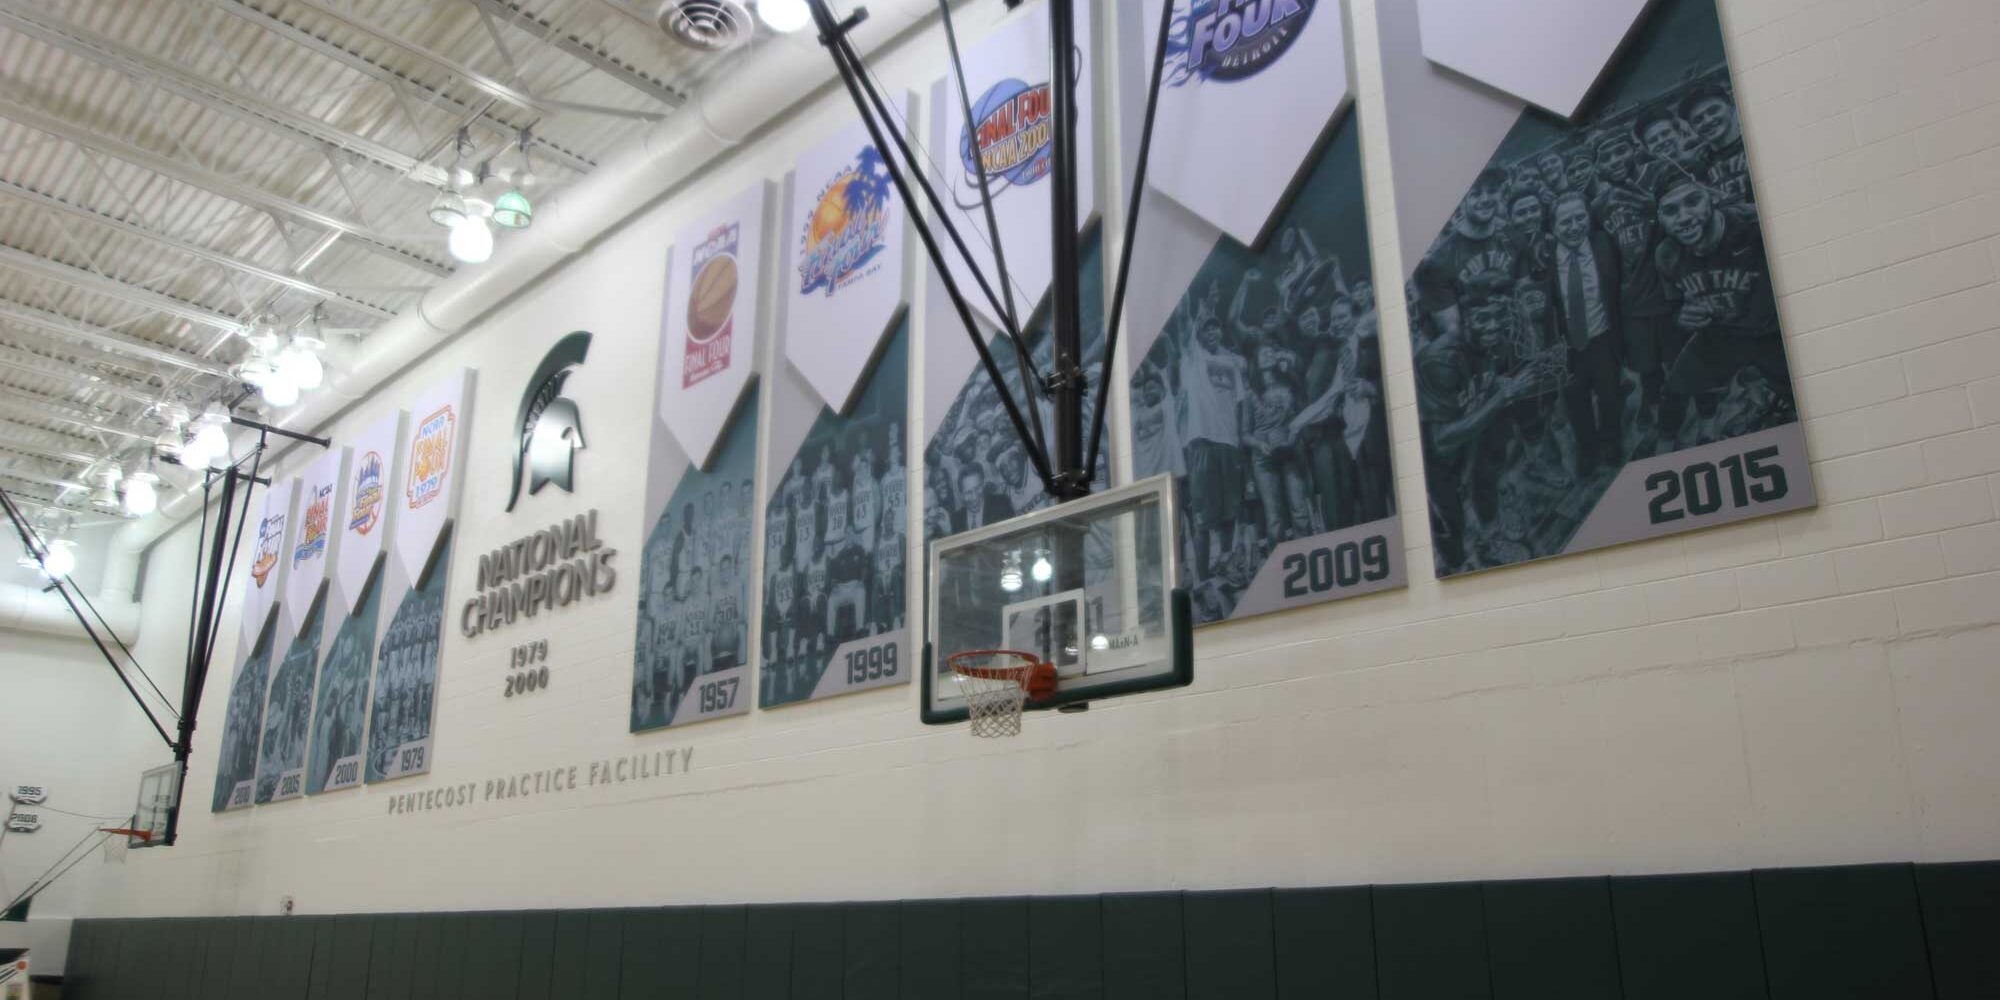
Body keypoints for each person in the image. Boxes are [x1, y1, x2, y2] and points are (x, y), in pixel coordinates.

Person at [1653, 173, 1790, 418]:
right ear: (1660, 218)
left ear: (1712, 197)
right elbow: (1674, 307)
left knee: (1797, 389)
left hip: (1772, 332)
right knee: (1674, 389)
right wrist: (1682, 318)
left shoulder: (1755, 223)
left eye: (1693, 201)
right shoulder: (1666, 254)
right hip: (1721, 335)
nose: (1684, 218)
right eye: (1671, 211)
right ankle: (1666, 442)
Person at [1550, 190, 1626, 476]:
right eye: (1564, 222)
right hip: (1568, 349)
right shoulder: (1545, 259)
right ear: (1552, 227)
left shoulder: (1605, 244)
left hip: (1603, 339)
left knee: (1610, 397)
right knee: (1576, 404)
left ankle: (1612, 441)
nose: (1573, 227)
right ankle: (1588, 450)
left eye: (1579, 217)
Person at [1681, 83, 1751, 205]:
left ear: (1731, 106)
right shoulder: (1698, 167)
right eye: (1698, 119)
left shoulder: (1754, 145)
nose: (1707, 120)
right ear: (1692, 127)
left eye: (1713, 111)